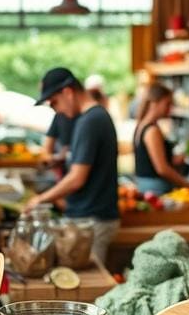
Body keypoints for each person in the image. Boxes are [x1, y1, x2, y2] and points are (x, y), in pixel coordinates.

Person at [26, 68, 119, 265]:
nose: (55, 110)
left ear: (68, 92)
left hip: (92, 220)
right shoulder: (90, 118)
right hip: (89, 217)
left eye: (54, 102)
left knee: (91, 289)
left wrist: (40, 199)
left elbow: (77, 178)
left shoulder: (91, 120)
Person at [133, 82, 189, 196]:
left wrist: (176, 159)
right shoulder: (152, 131)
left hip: (145, 186)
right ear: (154, 103)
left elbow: (150, 161)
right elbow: (162, 169)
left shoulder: (141, 125)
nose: (170, 108)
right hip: (156, 189)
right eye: (167, 104)